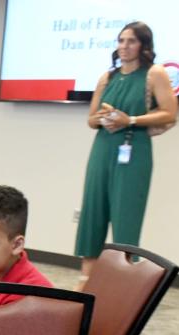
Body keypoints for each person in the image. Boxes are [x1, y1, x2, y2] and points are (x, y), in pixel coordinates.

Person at [74, 21, 176, 287]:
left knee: (126, 216)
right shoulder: (107, 77)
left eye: (131, 41)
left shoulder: (155, 73)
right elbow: (91, 119)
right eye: (120, 41)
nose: (124, 47)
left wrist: (128, 119)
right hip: (103, 148)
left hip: (134, 149)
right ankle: (86, 280)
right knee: (92, 212)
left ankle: (122, 283)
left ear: (143, 45)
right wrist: (105, 118)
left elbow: (169, 112)